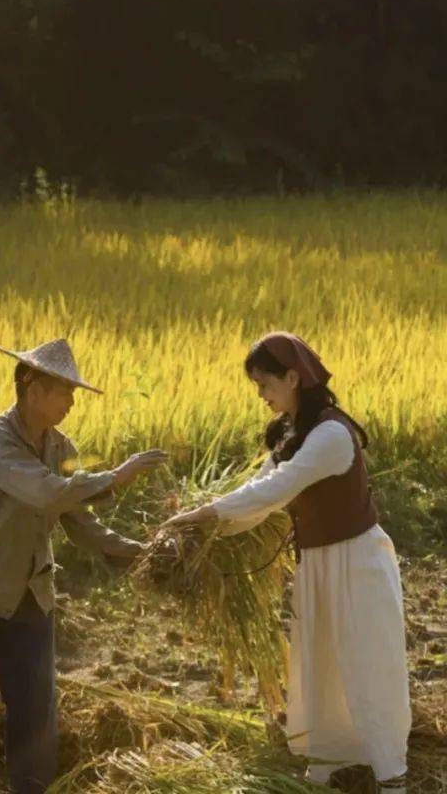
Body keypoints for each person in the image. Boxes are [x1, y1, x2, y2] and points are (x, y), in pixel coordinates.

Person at [163, 332, 410, 793]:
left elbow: (275, 490)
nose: (261, 395)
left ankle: (391, 775)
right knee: (317, 664)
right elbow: (258, 503)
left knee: (366, 664)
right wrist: (203, 526)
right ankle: (325, 764)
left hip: (357, 565)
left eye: (265, 384)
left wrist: (208, 512)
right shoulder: (291, 436)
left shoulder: (332, 434)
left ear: (293, 377)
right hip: (317, 566)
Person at [0, 338, 168, 794]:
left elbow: (79, 521)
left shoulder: (61, 445)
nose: (71, 402)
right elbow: (44, 492)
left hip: (31, 590)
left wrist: (135, 550)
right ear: (31, 386)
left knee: (35, 710)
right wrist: (116, 477)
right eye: (64, 391)